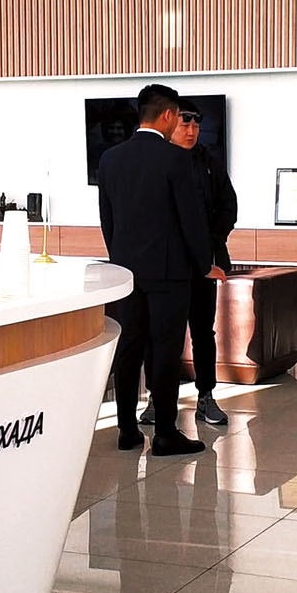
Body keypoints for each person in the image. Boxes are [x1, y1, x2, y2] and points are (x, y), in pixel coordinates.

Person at [98, 84, 222, 457]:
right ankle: (166, 434)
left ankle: (126, 430)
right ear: (167, 115)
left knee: (129, 348)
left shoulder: (110, 159)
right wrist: (205, 265)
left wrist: (121, 260)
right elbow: (191, 221)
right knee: (165, 351)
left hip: (127, 272)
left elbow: (108, 220)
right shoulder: (175, 159)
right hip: (169, 274)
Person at [142, 97, 237, 429]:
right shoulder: (157, 161)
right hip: (166, 265)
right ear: (170, 122)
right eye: (185, 122)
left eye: (197, 124)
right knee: (160, 333)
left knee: (203, 332)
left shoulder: (209, 162)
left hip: (203, 264)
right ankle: (156, 398)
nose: (192, 130)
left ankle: (206, 396)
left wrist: (210, 244)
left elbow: (228, 207)